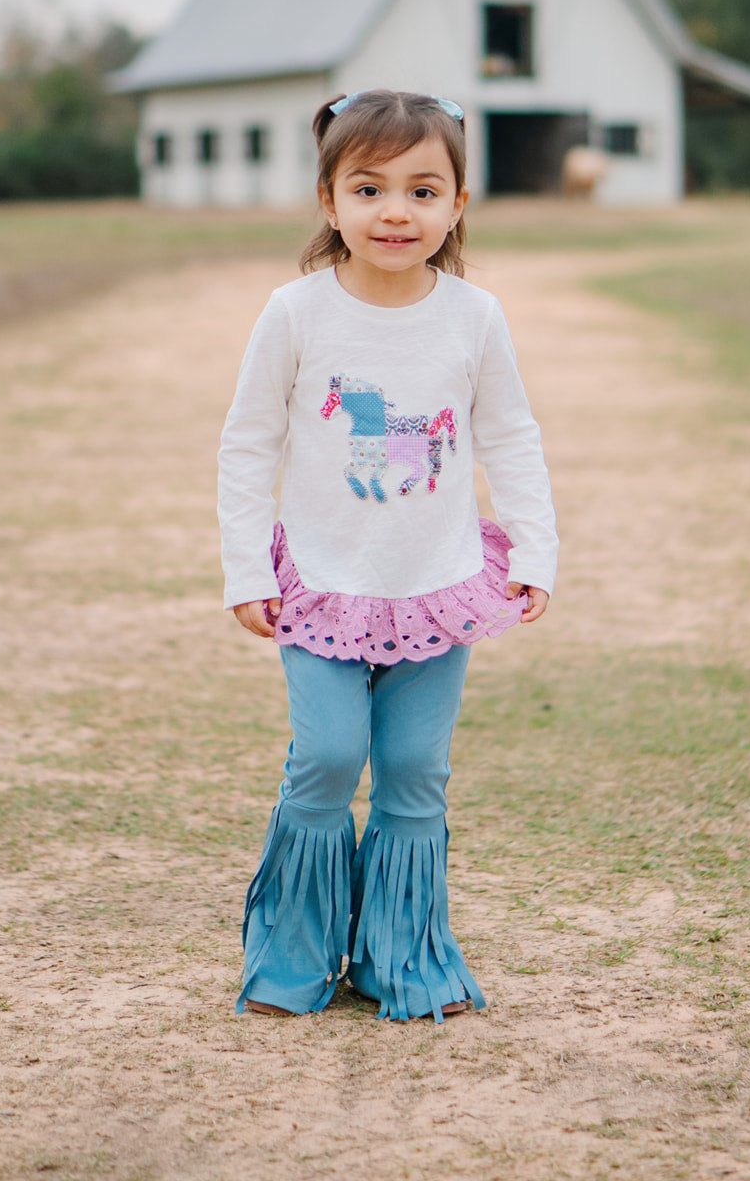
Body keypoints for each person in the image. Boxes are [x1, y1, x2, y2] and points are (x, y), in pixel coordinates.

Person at [218, 89, 559, 1022]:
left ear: (456, 204)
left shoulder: (474, 316)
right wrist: (245, 568)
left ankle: (401, 959)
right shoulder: (294, 314)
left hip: (436, 586)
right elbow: (248, 444)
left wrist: (537, 546)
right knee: (327, 758)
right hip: (322, 589)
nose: (396, 211)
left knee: (413, 771)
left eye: (422, 189)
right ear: (329, 201)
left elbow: (512, 436)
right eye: (368, 188)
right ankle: (293, 952)